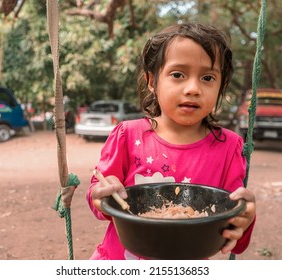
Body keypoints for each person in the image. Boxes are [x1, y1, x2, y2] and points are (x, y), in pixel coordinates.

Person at [86, 22, 256, 260]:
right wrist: (99, 193)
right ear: (152, 81)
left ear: (220, 86)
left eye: (208, 77)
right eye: (178, 75)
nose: (193, 88)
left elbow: (233, 238)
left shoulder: (229, 147)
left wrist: (245, 219)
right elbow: (100, 204)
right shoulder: (127, 135)